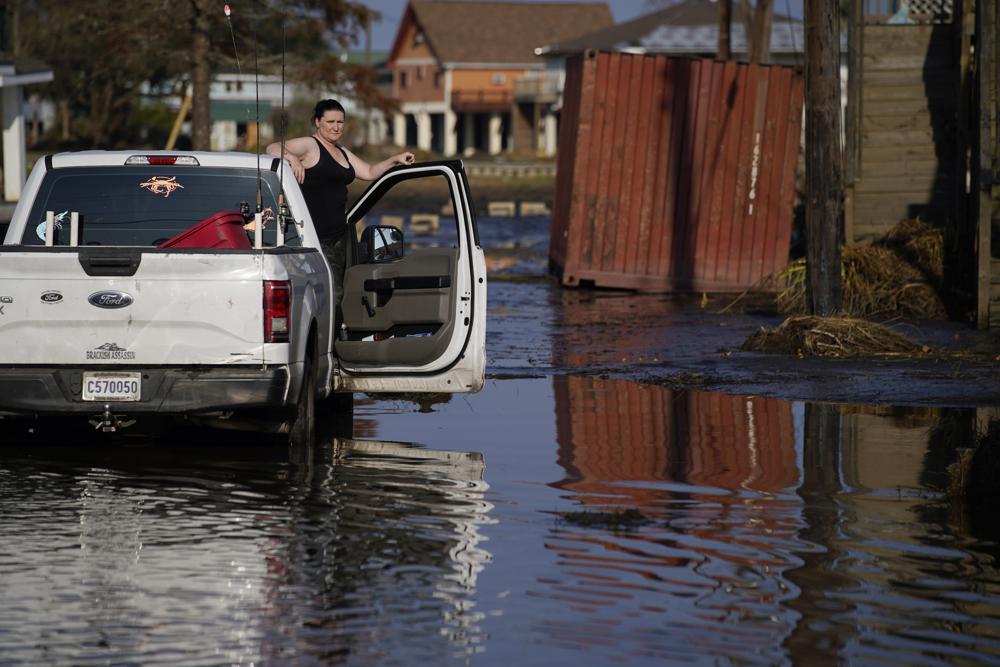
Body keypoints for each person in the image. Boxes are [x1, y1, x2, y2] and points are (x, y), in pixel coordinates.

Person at [265, 99, 414, 304]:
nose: (336, 127)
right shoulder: (311, 145)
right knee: (330, 295)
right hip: (316, 238)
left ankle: (339, 331)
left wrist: (395, 159)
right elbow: (272, 148)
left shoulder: (341, 150)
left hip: (340, 237)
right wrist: (292, 158)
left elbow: (369, 172)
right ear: (318, 122)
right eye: (331, 121)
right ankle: (329, 335)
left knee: (343, 293)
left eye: (340, 122)